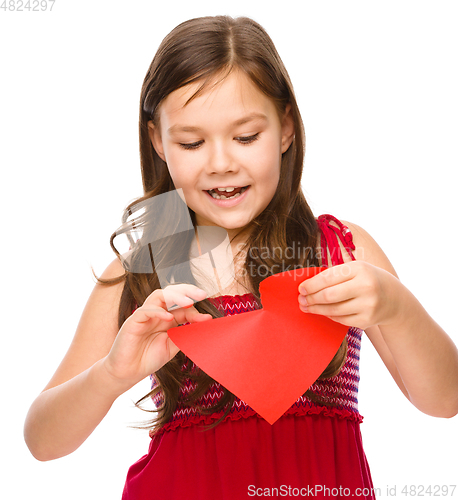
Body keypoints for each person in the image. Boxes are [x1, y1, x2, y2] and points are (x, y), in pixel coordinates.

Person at [24, 15, 458, 499]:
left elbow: (444, 400)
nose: (220, 162)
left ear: (286, 128)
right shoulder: (143, 270)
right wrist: (111, 374)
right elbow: (42, 441)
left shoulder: (341, 251)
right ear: (158, 142)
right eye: (191, 142)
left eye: (246, 137)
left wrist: (398, 307)